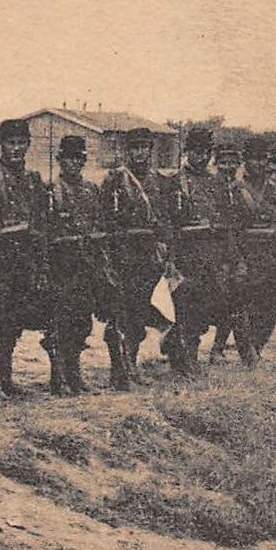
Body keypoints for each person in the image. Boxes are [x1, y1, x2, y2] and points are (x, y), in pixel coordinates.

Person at [0, 119, 48, 400]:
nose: (16, 149)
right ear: (0, 145)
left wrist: (37, 261)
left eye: (21, 143)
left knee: (13, 323)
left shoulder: (32, 180)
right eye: (10, 143)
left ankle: (6, 377)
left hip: (23, 259)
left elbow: (40, 222)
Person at [161, 128, 236, 375]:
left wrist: (227, 255)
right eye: (195, 152)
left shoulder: (217, 183)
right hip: (186, 256)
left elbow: (227, 221)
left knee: (204, 311)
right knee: (185, 311)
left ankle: (185, 353)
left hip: (211, 256)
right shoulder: (175, 182)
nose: (200, 157)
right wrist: (170, 258)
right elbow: (167, 222)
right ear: (187, 152)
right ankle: (185, 361)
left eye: (205, 152)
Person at [99, 127, 168, 389]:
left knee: (139, 313)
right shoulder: (115, 180)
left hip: (148, 257)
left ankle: (132, 364)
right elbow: (106, 220)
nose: (140, 153)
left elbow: (164, 218)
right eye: (135, 148)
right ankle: (119, 370)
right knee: (120, 313)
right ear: (127, 151)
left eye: (145, 147)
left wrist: (162, 241)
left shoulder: (157, 181)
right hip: (123, 256)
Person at [43, 135, 105, 395]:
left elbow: (100, 223)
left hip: (86, 265)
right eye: (68, 158)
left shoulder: (91, 190)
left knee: (81, 322)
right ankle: (59, 378)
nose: (73, 164)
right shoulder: (50, 190)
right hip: (61, 266)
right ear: (59, 160)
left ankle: (75, 374)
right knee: (59, 323)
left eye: (78, 158)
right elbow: (44, 231)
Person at [229, 136, 276, 365]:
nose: (259, 164)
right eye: (254, 159)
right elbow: (231, 231)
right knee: (249, 310)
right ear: (244, 161)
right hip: (249, 259)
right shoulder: (235, 190)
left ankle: (258, 351)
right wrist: (237, 260)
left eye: (263, 159)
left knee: (275, 309)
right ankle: (248, 353)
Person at [205, 141, 246, 363]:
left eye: (233, 163)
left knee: (237, 301)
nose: (228, 167)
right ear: (216, 164)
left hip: (239, 250)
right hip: (216, 250)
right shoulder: (211, 187)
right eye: (223, 163)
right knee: (220, 302)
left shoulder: (241, 189)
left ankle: (220, 348)